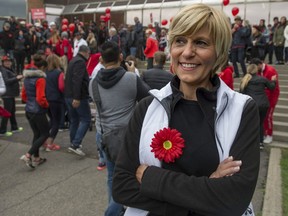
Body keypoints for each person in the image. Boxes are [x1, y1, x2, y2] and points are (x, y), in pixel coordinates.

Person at [112, 4, 260, 216]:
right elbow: (121, 187)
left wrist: (151, 178)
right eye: (180, 41)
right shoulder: (147, 107)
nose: (187, 52)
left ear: (218, 52)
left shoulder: (242, 109)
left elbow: (234, 198)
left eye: (200, 43)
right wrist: (206, 190)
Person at [89, 41, 150, 216]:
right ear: (121, 57)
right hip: (127, 137)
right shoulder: (130, 79)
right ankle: (112, 212)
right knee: (129, 177)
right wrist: (133, 74)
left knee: (112, 177)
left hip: (105, 136)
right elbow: (149, 97)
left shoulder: (93, 83)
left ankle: (114, 209)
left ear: (101, 59)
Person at [20, 54, 49, 168]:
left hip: (29, 109)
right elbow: (40, 98)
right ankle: (28, 155)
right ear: (42, 68)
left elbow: (23, 95)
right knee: (45, 133)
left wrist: (29, 102)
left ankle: (36, 158)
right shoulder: (40, 79)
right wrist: (47, 105)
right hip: (38, 110)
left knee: (37, 133)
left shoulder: (26, 77)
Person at [240, 64, 276, 149]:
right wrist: (274, 81)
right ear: (256, 70)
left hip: (252, 104)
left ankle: (250, 141)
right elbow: (272, 87)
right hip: (263, 104)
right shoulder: (262, 79)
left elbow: (241, 93)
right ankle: (260, 142)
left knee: (250, 123)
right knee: (260, 123)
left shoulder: (245, 80)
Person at [65, 45, 91, 156]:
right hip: (77, 96)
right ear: (86, 52)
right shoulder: (80, 62)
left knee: (74, 120)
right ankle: (75, 144)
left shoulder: (73, 61)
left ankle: (73, 142)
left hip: (68, 95)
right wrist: (77, 97)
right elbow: (77, 80)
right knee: (86, 119)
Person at [250, 58, 280, 144]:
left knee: (268, 116)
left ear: (259, 65)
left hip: (271, 96)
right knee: (263, 117)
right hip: (263, 97)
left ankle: (269, 134)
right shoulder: (259, 72)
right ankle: (264, 132)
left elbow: (272, 87)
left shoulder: (270, 71)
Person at [44, 54, 64, 151]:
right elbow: (61, 87)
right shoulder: (59, 72)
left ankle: (43, 139)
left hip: (47, 99)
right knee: (56, 121)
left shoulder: (44, 72)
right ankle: (50, 143)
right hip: (56, 99)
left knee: (51, 120)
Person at [0, 55, 23, 137]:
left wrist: (17, 78)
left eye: (9, 61)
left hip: (10, 94)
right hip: (7, 95)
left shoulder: (8, 69)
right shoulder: (3, 70)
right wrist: (17, 78)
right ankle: (2, 131)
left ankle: (14, 127)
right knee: (6, 113)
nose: (8, 62)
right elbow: (6, 81)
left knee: (12, 111)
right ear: (3, 63)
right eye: (6, 61)